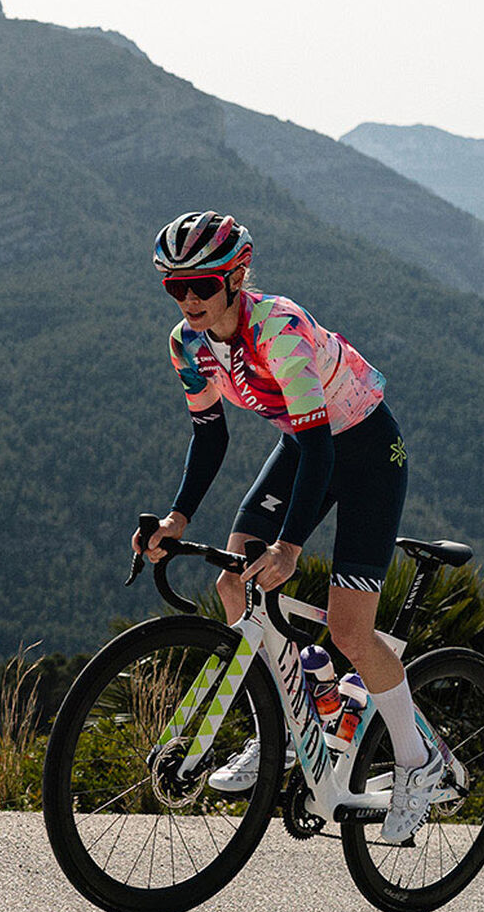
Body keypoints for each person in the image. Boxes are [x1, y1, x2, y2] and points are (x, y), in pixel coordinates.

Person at [129, 210, 443, 844]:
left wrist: (291, 545)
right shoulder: (185, 343)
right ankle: (295, 723)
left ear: (237, 276)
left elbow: (324, 448)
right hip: (303, 446)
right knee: (234, 588)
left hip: (363, 453)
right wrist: (176, 518)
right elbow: (208, 434)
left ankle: (419, 762)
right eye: (175, 287)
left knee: (352, 629)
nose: (190, 299)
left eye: (204, 285)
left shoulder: (279, 327)